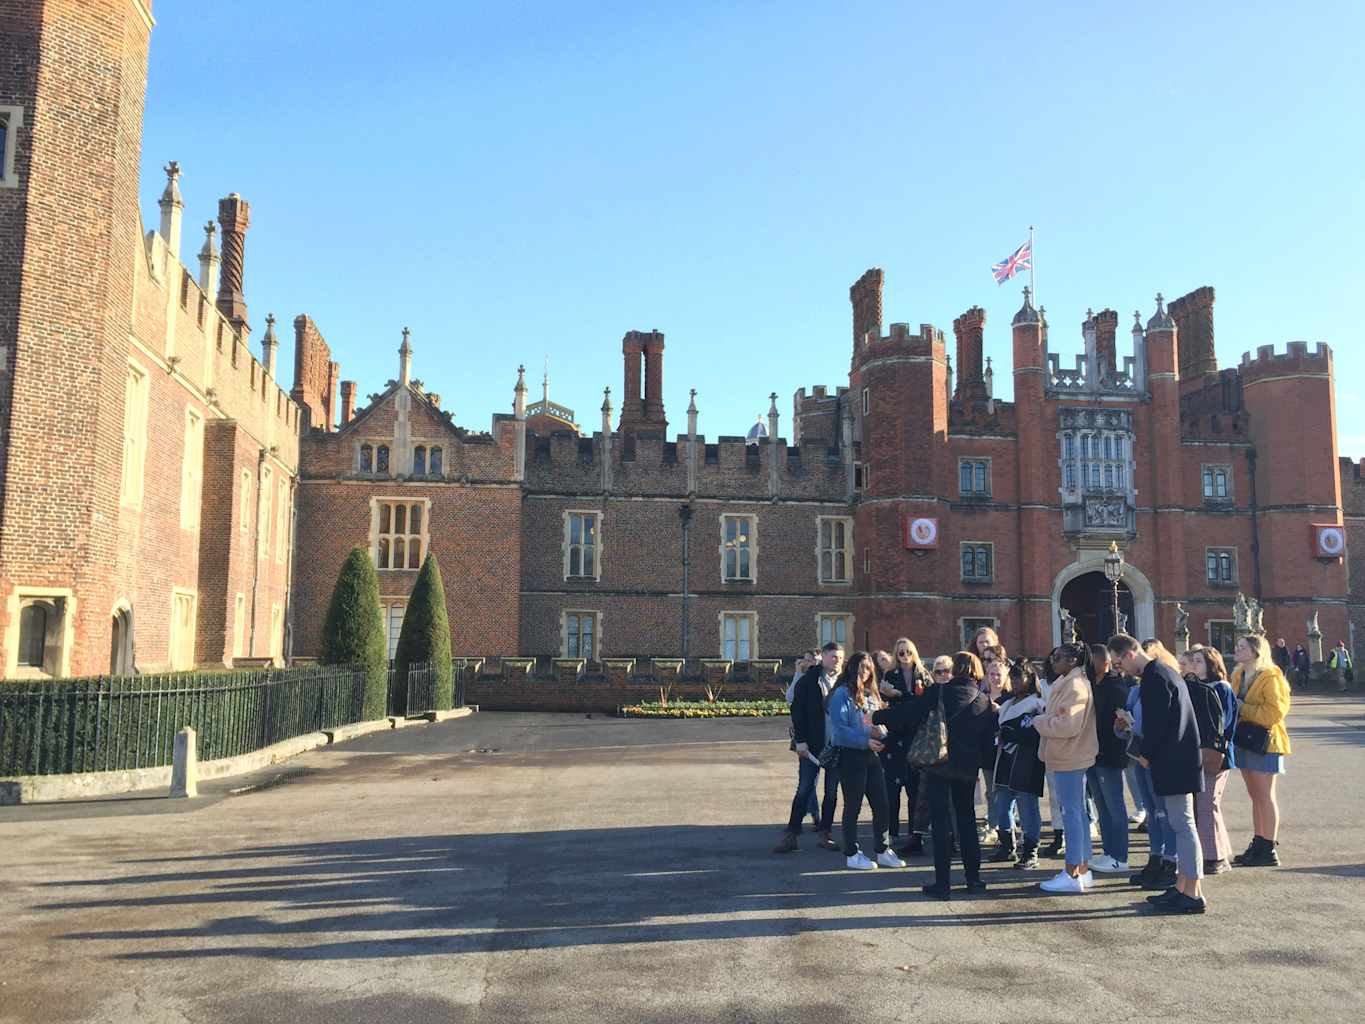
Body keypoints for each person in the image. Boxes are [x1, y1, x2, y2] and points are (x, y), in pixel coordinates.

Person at [873, 650, 997, 899]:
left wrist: (877, 716)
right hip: (967, 769)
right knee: (967, 821)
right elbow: (988, 742)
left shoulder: (939, 691)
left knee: (941, 825)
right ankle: (974, 880)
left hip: (939, 764)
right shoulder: (983, 700)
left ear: (955, 669)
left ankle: (943, 885)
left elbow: (908, 713)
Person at [1109, 633, 1207, 914]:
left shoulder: (1156, 677)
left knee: (1183, 826)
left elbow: (1157, 724)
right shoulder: (1161, 673)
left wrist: (1144, 754)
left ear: (1129, 654)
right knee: (1181, 825)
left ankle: (1193, 892)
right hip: (1177, 759)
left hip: (1174, 762)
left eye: (1119, 662)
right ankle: (1182, 887)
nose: (1120, 669)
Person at [827, 651, 904, 870]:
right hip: (851, 755)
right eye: (860, 668)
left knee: (882, 803)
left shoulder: (872, 694)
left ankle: (882, 850)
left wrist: (881, 734)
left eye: (868, 668)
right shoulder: (842, 694)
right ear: (851, 669)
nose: (864, 672)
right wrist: (865, 740)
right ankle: (852, 854)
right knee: (853, 806)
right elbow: (839, 732)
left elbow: (878, 724)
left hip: (872, 755)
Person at [1032, 643, 1098, 893]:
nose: (1053, 661)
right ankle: (1081, 868)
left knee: (1071, 813)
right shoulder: (1072, 682)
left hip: (1070, 755)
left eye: (1057, 657)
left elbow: (1067, 725)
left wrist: (1039, 721)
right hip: (1070, 755)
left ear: (1072, 660)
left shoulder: (1075, 685)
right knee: (1076, 812)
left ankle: (1072, 872)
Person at [772, 643, 841, 854]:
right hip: (811, 745)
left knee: (831, 793)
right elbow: (797, 711)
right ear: (824, 657)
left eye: (839, 657)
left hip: (836, 746)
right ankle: (791, 834)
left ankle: (825, 834)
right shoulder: (809, 680)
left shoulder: (845, 683)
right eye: (832, 656)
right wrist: (800, 740)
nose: (836, 660)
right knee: (804, 789)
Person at [1230, 634, 1292, 867]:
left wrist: (1242, 708)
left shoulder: (1271, 677)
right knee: (1255, 797)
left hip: (1267, 742)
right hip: (1245, 740)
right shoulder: (1238, 674)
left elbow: (1275, 713)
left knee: (1265, 796)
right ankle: (1258, 841)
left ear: (1256, 652)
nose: (1236, 649)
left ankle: (1269, 847)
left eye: (1242, 647)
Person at [1188, 644, 1238, 873]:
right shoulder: (1196, 687)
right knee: (1205, 804)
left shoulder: (1222, 687)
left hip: (1216, 754)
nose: (1195, 665)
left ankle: (1214, 857)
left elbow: (1225, 723)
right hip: (1197, 750)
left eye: (1199, 661)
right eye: (1194, 661)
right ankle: (1220, 852)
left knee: (1208, 804)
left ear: (1211, 663)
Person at [992, 657, 1046, 869]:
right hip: (1005, 758)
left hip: (1026, 760)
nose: (1014, 683)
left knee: (1027, 806)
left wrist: (1013, 734)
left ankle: (1031, 851)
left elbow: (1034, 733)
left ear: (1030, 679)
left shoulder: (1038, 703)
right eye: (1012, 679)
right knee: (1002, 805)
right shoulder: (1007, 703)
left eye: (1019, 678)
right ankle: (1007, 847)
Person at [881, 638, 930, 856]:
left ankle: (914, 833)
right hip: (895, 737)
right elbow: (886, 702)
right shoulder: (890, 675)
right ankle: (892, 831)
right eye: (900, 653)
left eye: (908, 652)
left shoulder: (924, 675)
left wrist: (900, 695)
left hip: (916, 737)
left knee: (914, 789)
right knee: (892, 790)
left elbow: (924, 703)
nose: (904, 656)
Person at [1087, 643, 1131, 874]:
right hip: (1093, 753)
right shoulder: (1094, 684)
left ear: (1104, 662)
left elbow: (1118, 724)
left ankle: (1120, 856)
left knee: (1114, 807)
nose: (1088, 665)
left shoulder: (1116, 687)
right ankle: (1109, 851)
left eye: (1091, 660)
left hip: (1110, 755)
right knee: (1102, 806)